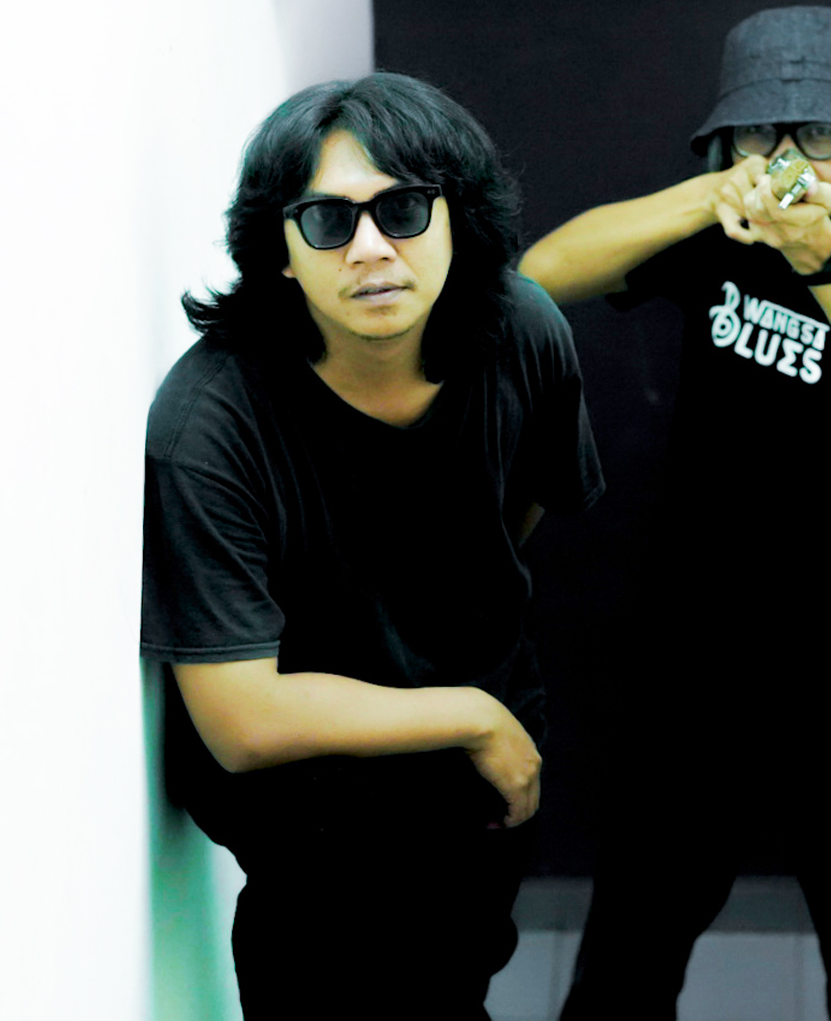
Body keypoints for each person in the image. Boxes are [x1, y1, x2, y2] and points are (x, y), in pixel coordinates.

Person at [519, 6, 831, 1020]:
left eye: (816, 134)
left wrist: (822, 255)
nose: (789, 158)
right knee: (627, 959)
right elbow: (539, 276)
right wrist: (710, 195)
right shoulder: (713, 245)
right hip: (697, 661)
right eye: (760, 134)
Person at [140, 72, 604, 1018]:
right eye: (327, 220)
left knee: (459, 974)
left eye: (402, 209)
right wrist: (471, 715)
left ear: (457, 220)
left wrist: (482, 716)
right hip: (313, 804)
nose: (370, 248)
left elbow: (520, 509)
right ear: (278, 251)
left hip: (476, 775)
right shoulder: (211, 420)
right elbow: (242, 719)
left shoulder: (523, 333)